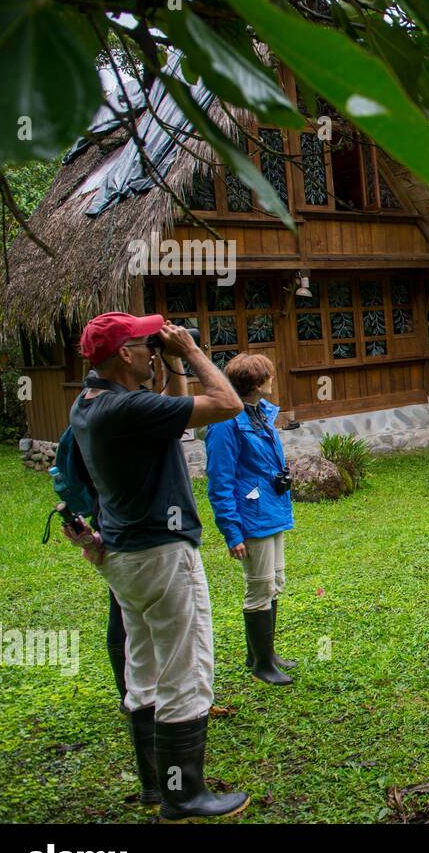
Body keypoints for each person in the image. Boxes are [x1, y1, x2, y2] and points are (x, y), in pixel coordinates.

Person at [67, 311, 247, 822]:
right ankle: (183, 795)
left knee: (143, 670)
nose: (155, 349)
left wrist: (173, 364)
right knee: (184, 671)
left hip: (124, 558)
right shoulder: (126, 409)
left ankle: (154, 785)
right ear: (124, 354)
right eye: (147, 343)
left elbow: (172, 418)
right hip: (162, 556)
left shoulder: (90, 405)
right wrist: (190, 352)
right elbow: (227, 404)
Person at [204, 354, 297, 686]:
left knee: (276, 581)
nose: (273, 379)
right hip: (252, 515)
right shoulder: (225, 423)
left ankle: (263, 653)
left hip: (272, 511)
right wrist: (232, 531)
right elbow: (219, 482)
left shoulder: (260, 414)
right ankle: (261, 665)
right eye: (269, 375)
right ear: (258, 383)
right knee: (259, 588)